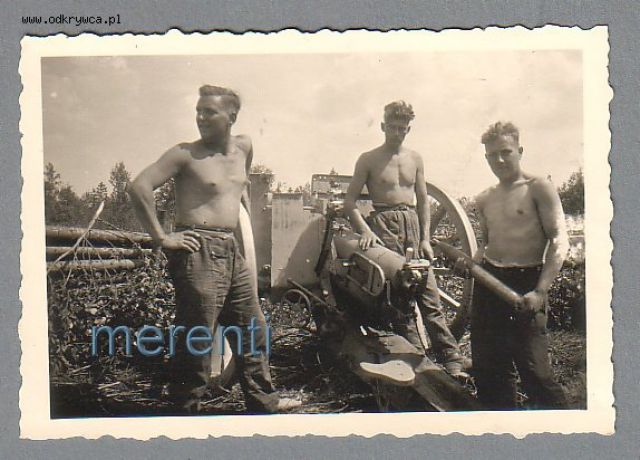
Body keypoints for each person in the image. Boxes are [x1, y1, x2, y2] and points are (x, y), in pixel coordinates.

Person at [128, 85, 300, 414]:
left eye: (209, 111)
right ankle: (185, 412)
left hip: (230, 248)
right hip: (198, 250)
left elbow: (239, 187)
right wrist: (162, 238)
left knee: (252, 329)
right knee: (197, 338)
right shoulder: (184, 154)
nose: (201, 118)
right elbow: (139, 187)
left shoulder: (244, 147)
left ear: (231, 116)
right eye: (198, 111)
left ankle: (263, 404)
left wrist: (240, 223)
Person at [344, 100, 466, 376]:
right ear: (383, 126)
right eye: (393, 127)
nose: (397, 132)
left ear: (408, 129)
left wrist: (424, 238)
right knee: (400, 298)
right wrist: (366, 231)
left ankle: (452, 359)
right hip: (383, 224)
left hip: (412, 224)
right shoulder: (368, 159)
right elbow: (349, 202)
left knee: (429, 296)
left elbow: (423, 201)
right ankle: (418, 361)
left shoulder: (415, 159)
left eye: (402, 128)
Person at [472, 121, 569, 409]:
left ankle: (565, 428)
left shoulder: (539, 188)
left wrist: (540, 291)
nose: (499, 160)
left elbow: (559, 240)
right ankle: (500, 427)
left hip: (526, 284)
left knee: (536, 372)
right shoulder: (484, 198)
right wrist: (471, 264)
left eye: (506, 152)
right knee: (489, 371)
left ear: (520, 151)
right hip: (489, 284)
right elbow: (485, 245)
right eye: (492, 155)